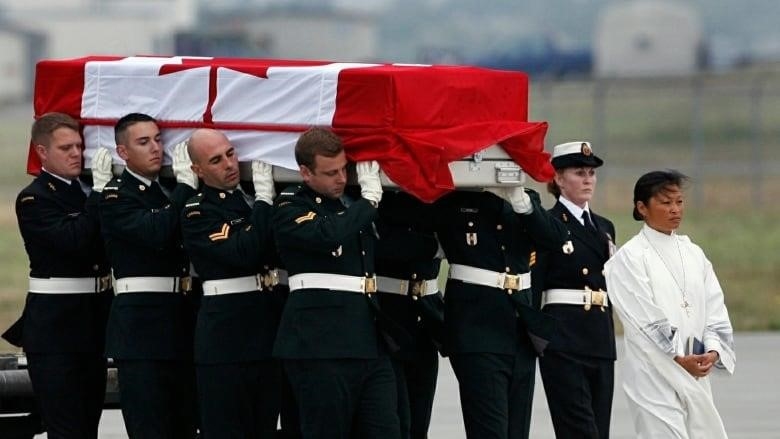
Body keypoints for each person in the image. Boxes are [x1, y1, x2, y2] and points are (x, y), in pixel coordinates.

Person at [271, 127, 400, 439]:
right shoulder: (291, 205)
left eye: (344, 168)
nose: (341, 178)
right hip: (320, 345)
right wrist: (369, 201)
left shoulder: (348, 203)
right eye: (330, 173)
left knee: (386, 430)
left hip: (369, 340)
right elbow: (328, 235)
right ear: (305, 172)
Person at [2, 113, 113, 439]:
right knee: (66, 429)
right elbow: (74, 240)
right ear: (42, 152)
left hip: (93, 323)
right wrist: (100, 195)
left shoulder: (87, 191)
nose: (77, 153)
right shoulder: (35, 198)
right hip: (56, 329)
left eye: (80, 146)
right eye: (66, 148)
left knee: (88, 424)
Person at [604, 169, 736, 439]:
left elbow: (714, 307)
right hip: (653, 372)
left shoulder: (693, 253)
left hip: (694, 369)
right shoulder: (629, 258)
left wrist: (712, 350)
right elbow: (643, 319)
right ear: (642, 207)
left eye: (679, 201)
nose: (675, 209)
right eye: (665, 203)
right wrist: (678, 358)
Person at [433, 182, 568, 439]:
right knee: (490, 430)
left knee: (517, 430)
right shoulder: (453, 201)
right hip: (476, 329)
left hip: (519, 328)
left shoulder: (525, 200)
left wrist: (522, 203)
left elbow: (556, 238)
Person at [98, 112, 199, 438]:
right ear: (123, 152)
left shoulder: (165, 190)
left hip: (179, 322)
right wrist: (185, 187)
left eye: (158, 139)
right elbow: (155, 231)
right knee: (149, 426)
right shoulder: (116, 194)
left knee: (184, 424)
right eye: (144, 142)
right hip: (140, 330)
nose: (156, 148)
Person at [180, 128, 283, 438]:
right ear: (197, 170)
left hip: (266, 332)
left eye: (230, 153)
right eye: (215, 160)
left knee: (263, 427)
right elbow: (243, 251)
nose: (229, 164)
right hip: (226, 340)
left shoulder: (248, 199)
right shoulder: (197, 211)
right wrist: (265, 202)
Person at [530, 141, 616, 439]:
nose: (588, 179)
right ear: (557, 178)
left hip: (600, 338)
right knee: (579, 432)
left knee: (599, 429)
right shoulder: (548, 223)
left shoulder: (604, 227)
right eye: (579, 172)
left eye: (591, 173)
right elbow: (535, 282)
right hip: (564, 340)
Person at [374, 190, 446, 439]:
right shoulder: (377, 196)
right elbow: (382, 244)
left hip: (425, 319)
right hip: (386, 320)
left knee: (418, 420)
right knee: (395, 422)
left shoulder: (436, 197)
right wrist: (434, 245)